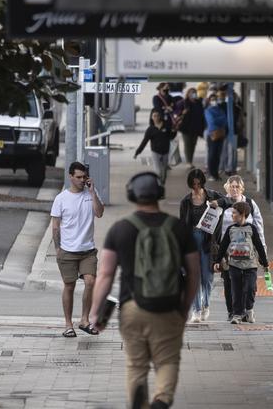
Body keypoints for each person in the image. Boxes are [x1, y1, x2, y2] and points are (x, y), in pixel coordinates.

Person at [90, 171, 200, 409]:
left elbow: (106, 275)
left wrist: (96, 314)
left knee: (136, 365)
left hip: (132, 308)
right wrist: (183, 309)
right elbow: (194, 274)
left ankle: (139, 403)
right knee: (168, 361)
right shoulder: (178, 228)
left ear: (132, 195)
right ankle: (161, 401)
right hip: (169, 307)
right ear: (159, 194)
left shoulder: (120, 229)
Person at [51, 161, 104, 338]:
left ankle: (84, 320)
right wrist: (58, 249)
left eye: (84, 177)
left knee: (90, 281)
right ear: (71, 177)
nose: (82, 180)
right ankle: (68, 324)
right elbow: (56, 226)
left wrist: (92, 192)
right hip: (67, 250)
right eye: (79, 177)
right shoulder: (61, 199)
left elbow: (99, 213)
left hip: (88, 250)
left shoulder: (91, 194)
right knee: (69, 286)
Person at [215, 175, 267, 320]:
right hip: (227, 250)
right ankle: (233, 311)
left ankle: (245, 310)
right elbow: (214, 227)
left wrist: (263, 249)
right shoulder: (222, 204)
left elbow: (259, 228)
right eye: (232, 186)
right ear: (227, 187)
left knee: (248, 284)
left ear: (242, 188)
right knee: (230, 282)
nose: (234, 189)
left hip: (248, 250)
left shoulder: (250, 203)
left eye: (237, 186)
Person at [179, 168, 224, 323]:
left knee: (207, 277)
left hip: (208, 241)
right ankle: (196, 310)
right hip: (192, 241)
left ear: (203, 183)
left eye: (198, 184)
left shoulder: (213, 196)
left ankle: (206, 305)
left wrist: (217, 203)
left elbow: (228, 202)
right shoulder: (185, 201)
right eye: (193, 184)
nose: (196, 187)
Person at [135, 109, 177, 184]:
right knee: (158, 171)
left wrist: (174, 131)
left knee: (164, 173)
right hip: (155, 152)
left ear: (160, 116)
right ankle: (158, 186)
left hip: (165, 151)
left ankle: (162, 184)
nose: (156, 118)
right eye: (154, 116)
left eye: (157, 116)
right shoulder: (150, 129)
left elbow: (171, 136)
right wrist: (138, 152)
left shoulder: (166, 126)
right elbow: (144, 142)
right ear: (151, 117)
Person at [179, 87, 206, 169]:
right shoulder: (184, 102)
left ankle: (191, 160)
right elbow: (177, 112)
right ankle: (188, 161)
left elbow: (202, 115)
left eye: (194, 92)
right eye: (191, 93)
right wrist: (182, 113)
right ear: (188, 94)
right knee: (187, 144)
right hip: (186, 128)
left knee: (193, 144)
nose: (193, 94)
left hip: (196, 127)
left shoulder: (198, 103)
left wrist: (202, 127)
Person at [204, 93, 227, 181]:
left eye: (215, 99)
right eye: (212, 99)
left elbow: (225, 120)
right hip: (212, 135)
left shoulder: (220, 109)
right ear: (209, 101)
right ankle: (211, 174)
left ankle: (216, 173)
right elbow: (211, 122)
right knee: (212, 154)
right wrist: (219, 120)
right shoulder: (208, 110)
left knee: (218, 155)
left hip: (220, 134)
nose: (214, 101)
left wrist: (218, 119)